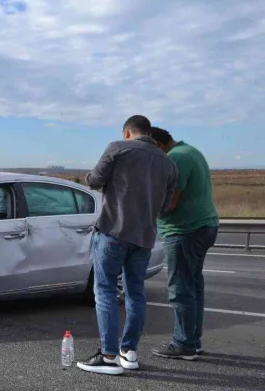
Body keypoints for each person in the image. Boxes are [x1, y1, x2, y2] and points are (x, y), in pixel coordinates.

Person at [77, 115, 178, 375]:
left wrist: (89, 178)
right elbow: (166, 206)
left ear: (127, 133)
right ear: (149, 133)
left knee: (106, 292)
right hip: (144, 238)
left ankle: (108, 356)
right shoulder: (168, 163)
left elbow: (95, 180)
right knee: (136, 294)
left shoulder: (118, 148)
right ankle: (128, 352)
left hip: (114, 231)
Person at [149, 127, 220, 361]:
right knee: (193, 287)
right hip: (203, 226)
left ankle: (183, 344)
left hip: (184, 231)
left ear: (158, 145)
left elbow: (171, 202)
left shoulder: (175, 158)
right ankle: (193, 341)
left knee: (180, 289)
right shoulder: (191, 151)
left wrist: (147, 209)